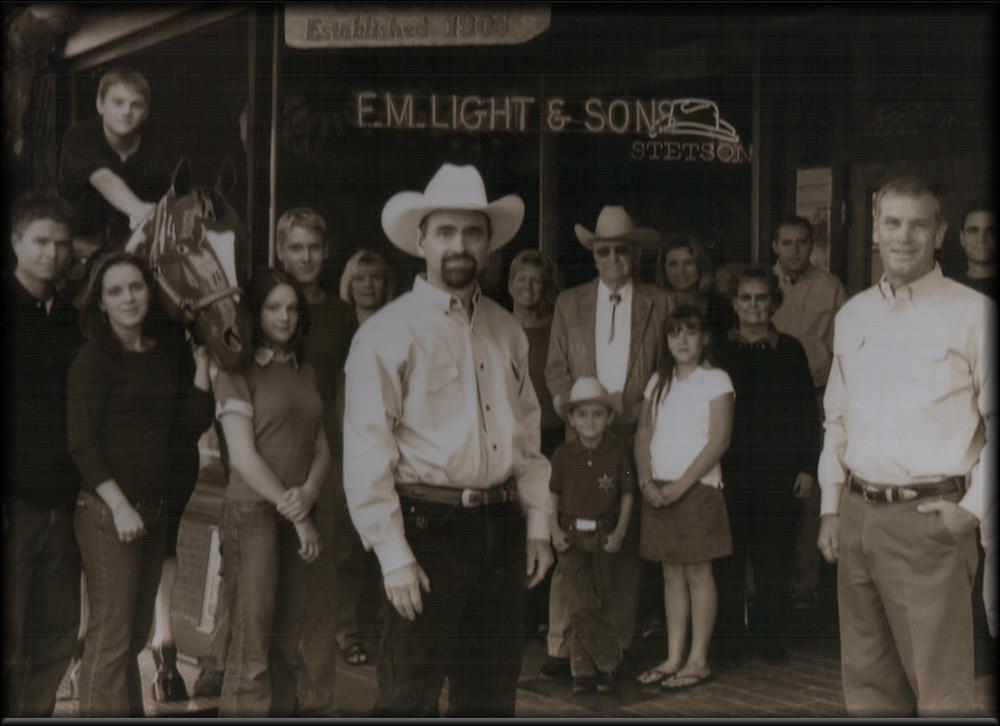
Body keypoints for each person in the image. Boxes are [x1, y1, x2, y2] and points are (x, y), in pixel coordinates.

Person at [343, 163, 553, 716]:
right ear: (421, 240)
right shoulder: (386, 331)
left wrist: (537, 526)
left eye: (472, 232)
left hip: (502, 530)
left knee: (489, 696)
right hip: (426, 530)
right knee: (409, 694)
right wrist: (393, 553)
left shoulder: (507, 330)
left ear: (488, 244)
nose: (459, 245)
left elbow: (527, 438)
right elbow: (366, 447)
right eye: (445, 232)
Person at [817, 176, 995, 716]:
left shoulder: (974, 313)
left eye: (920, 224)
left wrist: (970, 511)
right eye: (892, 222)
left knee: (942, 696)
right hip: (857, 516)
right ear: (875, 230)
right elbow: (837, 419)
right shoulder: (853, 316)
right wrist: (831, 508)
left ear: (941, 232)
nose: (904, 236)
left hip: (930, 521)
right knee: (868, 687)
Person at [67, 250, 213, 716]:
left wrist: (202, 365)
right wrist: (119, 506)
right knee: (110, 638)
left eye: (135, 286)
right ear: (101, 303)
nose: (128, 297)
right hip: (109, 512)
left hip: (154, 508)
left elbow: (190, 424)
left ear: (148, 292)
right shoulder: (92, 361)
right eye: (115, 291)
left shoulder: (163, 353)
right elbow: (82, 443)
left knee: (132, 634)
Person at [544, 205, 671, 678]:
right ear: (593, 255)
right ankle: (562, 644)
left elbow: (666, 370)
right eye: (603, 250)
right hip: (582, 436)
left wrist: (632, 409)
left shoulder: (660, 303)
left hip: (634, 435)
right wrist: (578, 412)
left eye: (621, 250)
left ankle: (613, 644)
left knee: (622, 542)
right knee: (572, 545)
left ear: (634, 254)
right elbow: (556, 368)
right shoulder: (569, 303)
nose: (613, 258)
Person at [212, 267, 330, 716]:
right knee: (252, 648)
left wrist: (310, 495)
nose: (285, 316)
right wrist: (298, 515)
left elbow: (321, 446)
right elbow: (242, 456)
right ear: (254, 312)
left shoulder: (305, 369)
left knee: (285, 643)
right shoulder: (235, 370)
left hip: (297, 512)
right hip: (252, 516)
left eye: (293, 308)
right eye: (273, 307)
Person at [714, 266, 820, 666]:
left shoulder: (790, 350)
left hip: (779, 471)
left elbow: (807, 413)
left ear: (773, 303)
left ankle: (771, 636)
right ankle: (726, 642)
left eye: (761, 298)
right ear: (735, 303)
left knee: (774, 558)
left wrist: (807, 467)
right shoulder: (720, 351)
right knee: (729, 558)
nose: (754, 306)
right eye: (746, 298)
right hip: (732, 470)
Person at [4, 192, 81, 717]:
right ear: (15, 242)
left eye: (61, 244)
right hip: (14, 510)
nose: (52, 253)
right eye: (40, 242)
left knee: (54, 637)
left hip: (64, 508)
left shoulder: (73, 321)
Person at [632, 305, 734, 691]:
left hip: (697, 490)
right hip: (658, 488)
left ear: (705, 338)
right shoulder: (658, 380)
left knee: (696, 572)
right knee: (670, 573)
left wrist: (681, 486)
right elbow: (643, 435)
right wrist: (645, 482)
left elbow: (719, 440)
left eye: (690, 332)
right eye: (674, 333)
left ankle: (698, 659)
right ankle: (674, 656)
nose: (682, 340)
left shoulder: (716, 380)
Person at [769, 215, 848, 610]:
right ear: (775, 246)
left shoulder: (831, 288)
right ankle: (760, 587)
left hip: (814, 397)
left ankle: (803, 586)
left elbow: (842, 352)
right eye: (787, 242)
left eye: (802, 242)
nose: (795, 249)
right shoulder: (759, 287)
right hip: (765, 402)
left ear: (812, 244)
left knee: (810, 489)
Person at [549, 377, 636, 694]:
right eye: (582, 414)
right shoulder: (562, 454)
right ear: (571, 419)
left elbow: (628, 494)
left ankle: (583, 671)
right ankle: (611, 661)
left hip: (603, 534)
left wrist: (621, 531)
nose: (590, 421)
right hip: (570, 536)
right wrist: (553, 529)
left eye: (597, 414)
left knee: (598, 600)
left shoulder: (618, 452)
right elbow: (552, 496)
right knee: (579, 601)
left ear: (609, 417)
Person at [331, 246, 396, 666]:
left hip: (389, 443)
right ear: (348, 284)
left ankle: (383, 628)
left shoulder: (396, 325)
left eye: (374, 278)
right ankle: (348, 630)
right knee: (347, 546)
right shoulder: (338, 327)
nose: (368, 286)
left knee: (386, 537)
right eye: (360, 278)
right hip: (343, 442)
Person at [58, 68, 171, 306]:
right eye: (118, 102)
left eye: (136, 105)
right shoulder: (79, 136)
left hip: (130, 253)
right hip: (75, 250)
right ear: (100, 104)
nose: (126, 111)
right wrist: (141, 211)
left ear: (145, 112)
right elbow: (104, 179)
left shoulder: (155, 147)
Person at [508, 249, 564, 638]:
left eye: (536, 280)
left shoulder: (555, 326)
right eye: (521, 279)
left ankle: (546, 611)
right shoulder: (495, 325)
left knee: (549, 517)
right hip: (511, 436)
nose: (528, 287)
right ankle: (518, 612)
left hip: (553, 433)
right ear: (510, 283)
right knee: (516, 521)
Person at [655, 234, 734, 345]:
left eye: (688, 263)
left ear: (700, 266)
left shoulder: (720, 308)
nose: (681, 271)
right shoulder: (655, 310)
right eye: (673, 264)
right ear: (664, 269)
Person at [339, 247, 397, 325]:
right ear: (349, 286)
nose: (368, 284)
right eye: (360, 278)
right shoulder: (338, 325)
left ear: (386, 285)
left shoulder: (399, 324)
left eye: (376, 277)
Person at [955, 200, 996, 300]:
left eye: (991, 231)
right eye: (973, 230)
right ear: (962, 238)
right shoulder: (948, 289)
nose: (981, 239)